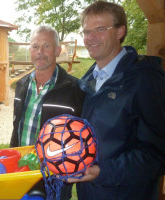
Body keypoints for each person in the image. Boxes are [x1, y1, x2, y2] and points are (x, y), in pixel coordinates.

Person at [65, 1, 165, 200]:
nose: (90, 38)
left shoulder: (145, 79)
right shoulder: (88, 79)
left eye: (100, 29)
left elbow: (157, 154)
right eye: (86, 31)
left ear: (120, 31)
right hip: (90, 191)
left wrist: (104, 172)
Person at [10, 25, 85, 199]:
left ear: (58, 50)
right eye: (35, 46)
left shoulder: (74, 89)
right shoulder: (21, 85)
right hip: (20, 172)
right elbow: (17, 129)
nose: (40, 52)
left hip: (54, 178)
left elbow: (81, 138)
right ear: (30, 50)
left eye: (46, 46)